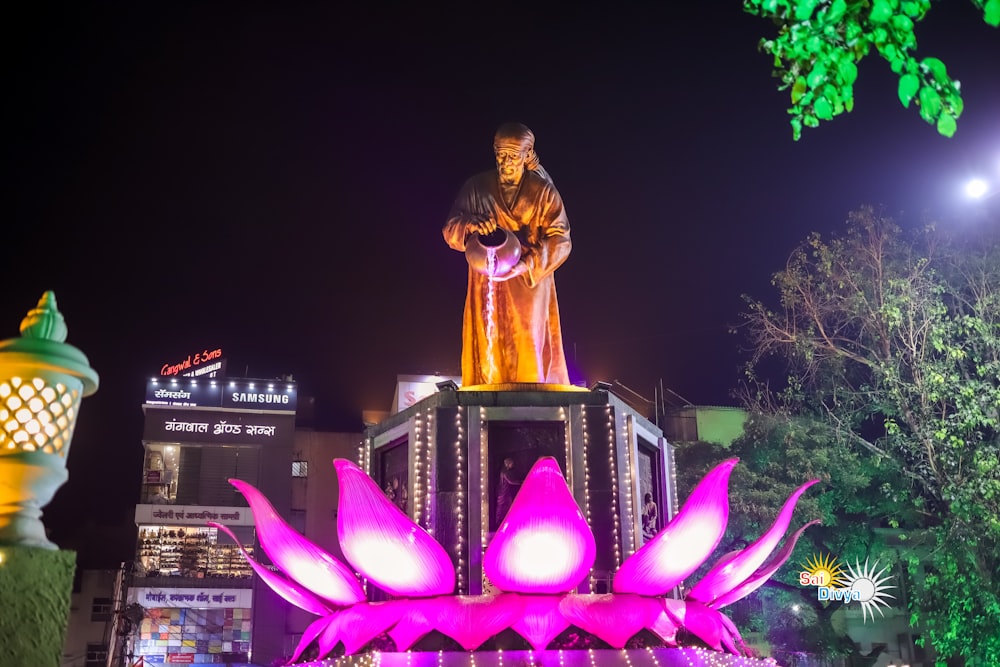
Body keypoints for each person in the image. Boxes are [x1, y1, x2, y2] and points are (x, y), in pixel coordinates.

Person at [443, 122, 572, 386]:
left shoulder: (543, 191)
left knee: (528, 345)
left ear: (527, 155)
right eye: (501, 154)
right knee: (490, 344)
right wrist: (470, 224)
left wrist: (527, 264)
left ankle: (530, 414)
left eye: (513, 155)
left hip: (529, 283)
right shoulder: (476, 187)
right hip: (487, 282)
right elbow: (449, 230)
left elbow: (562, 239)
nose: (506, 162)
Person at [494, 457, 522, 527]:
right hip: (503, 492)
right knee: (501, 507)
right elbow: (511, 481)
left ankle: (504, 521)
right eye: (511, 463)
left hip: (505, 492)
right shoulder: (504, 472)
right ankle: (498, 523)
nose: (513, 465)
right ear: (508, 464)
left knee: (507, 506)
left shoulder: (504, 471)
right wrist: (521, 482)